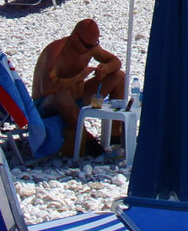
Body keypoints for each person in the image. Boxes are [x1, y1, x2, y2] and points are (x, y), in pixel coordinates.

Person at [32, 18, 128, 153]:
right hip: (47, 104)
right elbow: (47, 88)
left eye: (95, 45)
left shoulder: (90, 47)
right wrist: (78, 77)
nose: (91, 49)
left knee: (119, 76)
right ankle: (88, 140)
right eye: (88, 46)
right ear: (75, 37)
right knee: (62, 94)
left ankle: (115, 136)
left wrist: (105, 69)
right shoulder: (56, 51)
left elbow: (115, 62)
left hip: (77, 98)